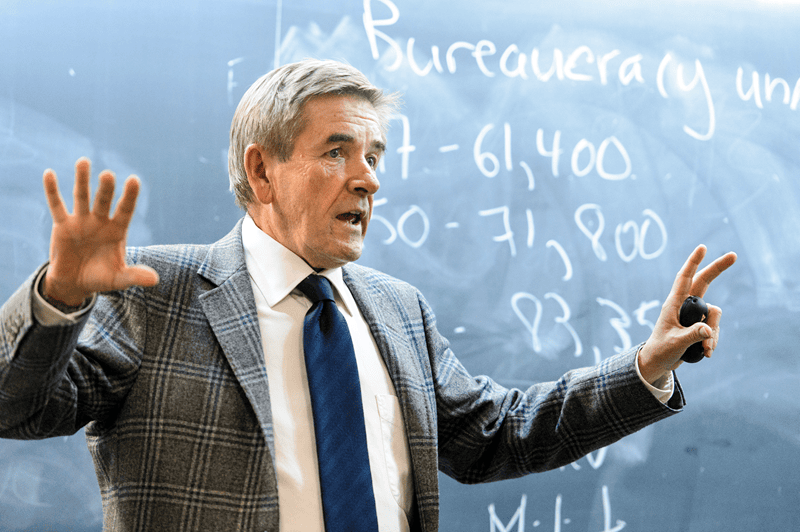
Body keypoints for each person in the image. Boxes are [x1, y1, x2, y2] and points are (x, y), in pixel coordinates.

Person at [0, 59, 736, 532]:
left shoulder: (396, 310)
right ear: (262, 172)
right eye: (337, 151)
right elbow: (17, 406)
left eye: (375, 155)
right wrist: (58, 298)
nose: (369, 177)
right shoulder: (161, 294)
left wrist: (646, 368)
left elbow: (496, 437)